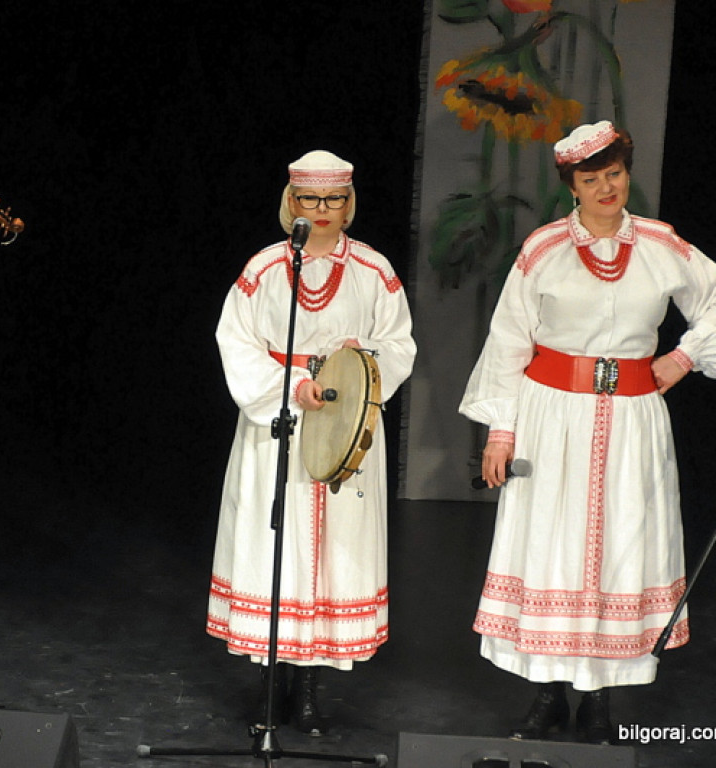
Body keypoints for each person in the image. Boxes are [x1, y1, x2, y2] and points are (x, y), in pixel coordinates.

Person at [459, 120, 716, 744]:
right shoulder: (544, 249)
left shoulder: (661, 245)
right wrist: (501, 431)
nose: (606, 188)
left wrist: (682, 358)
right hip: (553, 418)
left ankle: (598, 700)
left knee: (620, 545)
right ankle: (547, 695)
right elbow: (509, 340)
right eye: (591, 179)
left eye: (615, 174)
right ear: (571, 187)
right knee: (552, 546)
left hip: (632, 420)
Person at [207, 150, 416, 734]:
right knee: (276, 548)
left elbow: (398, 344)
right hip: (278, 420)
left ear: (348, 204)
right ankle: (270, 687)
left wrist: (358, 367)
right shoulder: (265, 269)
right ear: (291, 202)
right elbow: (237, 341)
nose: (322, 209)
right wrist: (292, 386)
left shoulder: (374, 270)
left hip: (346, 425)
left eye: (334, 199)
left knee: (332, 556)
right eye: (310, 198)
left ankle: (309, 691)